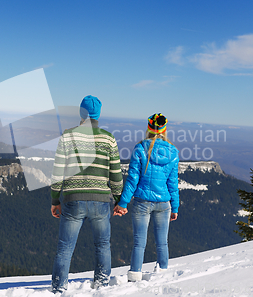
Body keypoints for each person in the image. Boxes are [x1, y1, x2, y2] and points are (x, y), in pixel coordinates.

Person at [50, 95, 124, 293]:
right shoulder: (108, 138)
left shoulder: (67, 136)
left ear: (81, 114)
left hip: (73, 200)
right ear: (98, 115)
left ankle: (58, 288)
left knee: (65, 248)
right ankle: (101, 285)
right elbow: (115, 174)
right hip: (100, 201)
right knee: (102, 245)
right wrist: (119, 200)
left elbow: (58, 171)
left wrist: (55, 200)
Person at [114, 113, 179, 282]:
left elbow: (132, 179)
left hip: (142, 202)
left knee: (139, 242)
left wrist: (123, 202)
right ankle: (163, 272)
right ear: (164, 130)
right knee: (162, 242)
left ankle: (135, 274)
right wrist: (175, 206)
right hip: (164, 203)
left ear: (149, 128)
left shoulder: (140, 148)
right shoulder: (173, 152)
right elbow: (173, 183)